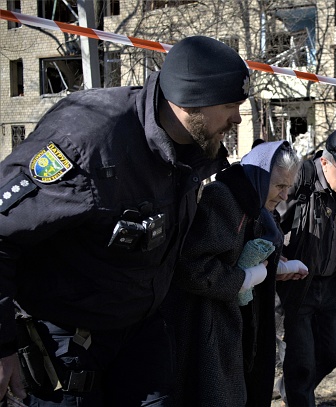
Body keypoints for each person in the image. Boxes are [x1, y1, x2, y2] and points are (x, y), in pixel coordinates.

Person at [0, 35, 250, 406]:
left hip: (140, 333)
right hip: (66, 342)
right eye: (230, 105)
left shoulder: (191, 146)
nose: (237, 118)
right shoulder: (87, 141)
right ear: (189, 101)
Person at [163, 141, 308, 407]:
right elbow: (192, 267)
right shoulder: (223, 198)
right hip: (210, 328)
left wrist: (277, 269)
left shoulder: (259, 208)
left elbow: (244, 254)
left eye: (289, 187)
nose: (285, 196)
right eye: (279, 186)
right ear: (260, 176)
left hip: (242, 328)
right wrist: (244, 279)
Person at [276, 125, 336, 406]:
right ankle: (299, 391)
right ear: (324, 162)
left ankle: (295, 387)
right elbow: (266, 215)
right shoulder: (298, 179)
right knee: (301, 363)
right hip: (296, 288)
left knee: (335, 351)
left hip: (331, 286)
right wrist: (273, 253)